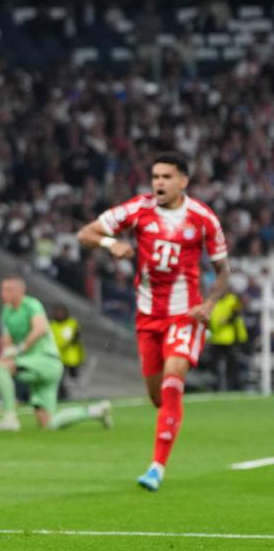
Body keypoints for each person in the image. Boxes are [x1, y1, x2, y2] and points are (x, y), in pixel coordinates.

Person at [77, 152, 230, 491]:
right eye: (156, 176)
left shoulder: (204, 219)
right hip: (148, 316)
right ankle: (170, 418)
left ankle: (156, 467)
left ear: (183, 181)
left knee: (174, 377)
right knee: (157, 396)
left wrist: (209, 304)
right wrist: (110, 243)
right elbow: (85, 233)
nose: (159, 182)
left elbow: (223, 272)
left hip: (185, 313)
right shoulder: (137, 210)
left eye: (166, 176)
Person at [0, 277, 112, 432]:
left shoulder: (31, 305)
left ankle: (10, 417)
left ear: (20, 291)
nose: (3, 293)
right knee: (48, 424)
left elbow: (39, 329)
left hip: (45, 360)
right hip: (34, 364)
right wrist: (7, 351)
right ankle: (96, 411)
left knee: (1, 367)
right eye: (2, 289)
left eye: (8, 289)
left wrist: (19, 349)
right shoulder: (6, 311)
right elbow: (7, 342)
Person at [207, 288, 247, 391]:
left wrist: (228, 319)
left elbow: (238, 311)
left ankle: (234, 388)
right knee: (214, 365)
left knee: (232, 365)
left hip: (231, 338)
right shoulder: (212, 302)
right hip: (216, 338)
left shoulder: (233, 299)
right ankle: (215, 388)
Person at [48, 303, 84, 398]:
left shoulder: (72, 323)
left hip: (72, 357)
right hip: (58, 356)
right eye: (57, 312)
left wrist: (66, 345)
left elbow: (76, 337)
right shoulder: (52, 325)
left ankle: (77, 395)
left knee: (74, 379)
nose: (59, 314)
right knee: (59, 378)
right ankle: (62, 396)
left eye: (61, 312)